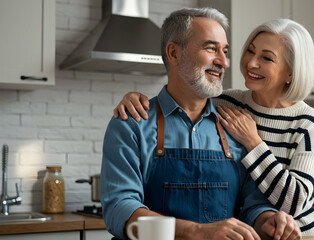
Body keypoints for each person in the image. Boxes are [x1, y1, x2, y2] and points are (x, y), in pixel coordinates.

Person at [101, 8, 302, 240]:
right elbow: (120, 210)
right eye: (211, 48)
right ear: (174, 53)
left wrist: (269, 220)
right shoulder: (132, 123)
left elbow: (252, 205)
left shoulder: (235, 125)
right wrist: (199, 232)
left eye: (225, 51)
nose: (224, 62)